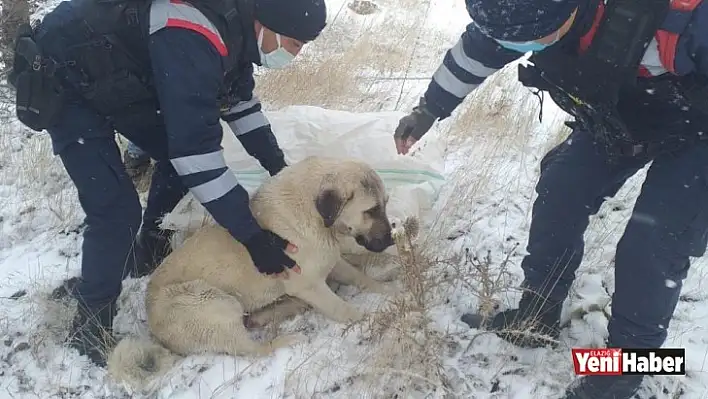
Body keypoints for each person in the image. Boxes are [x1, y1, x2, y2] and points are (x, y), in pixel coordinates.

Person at [393, 0, 708, 397]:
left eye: (532, 40)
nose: (523, 46)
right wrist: (429, 108)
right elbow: (481, 47)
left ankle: (624, 371)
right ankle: (537, 315)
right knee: (561, 188)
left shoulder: (685, 18)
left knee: (653, 241)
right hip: (623, 113)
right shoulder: (521, 13)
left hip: (699, 129)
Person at [9, 0, 327, 366]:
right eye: (294, 45)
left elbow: (239, 102)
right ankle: (90, 322)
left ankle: (149, 249)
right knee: (117, 211)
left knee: (175, 158)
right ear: (266, 25)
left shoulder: (235, 30)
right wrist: (253, 237)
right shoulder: (191, 32)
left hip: (119, 75)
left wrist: (281, 170)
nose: (294, 55)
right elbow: (198, 156)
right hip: (66, 78)